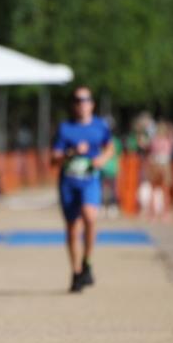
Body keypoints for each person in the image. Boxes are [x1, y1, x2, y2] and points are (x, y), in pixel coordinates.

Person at [51, 86, 114, 293]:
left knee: (90, 217)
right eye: (77, 100)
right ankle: (76, 272)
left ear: (92, 104)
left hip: (90, 180)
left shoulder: (100, 126)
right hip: (69, 182)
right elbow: (53, 159)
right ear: (73, 105)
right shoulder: (65, 128)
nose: (81, 104)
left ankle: (87, 261)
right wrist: (70, 152)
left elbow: (110, 147)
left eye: (85, 99)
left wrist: (102, 159)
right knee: (72, 228)